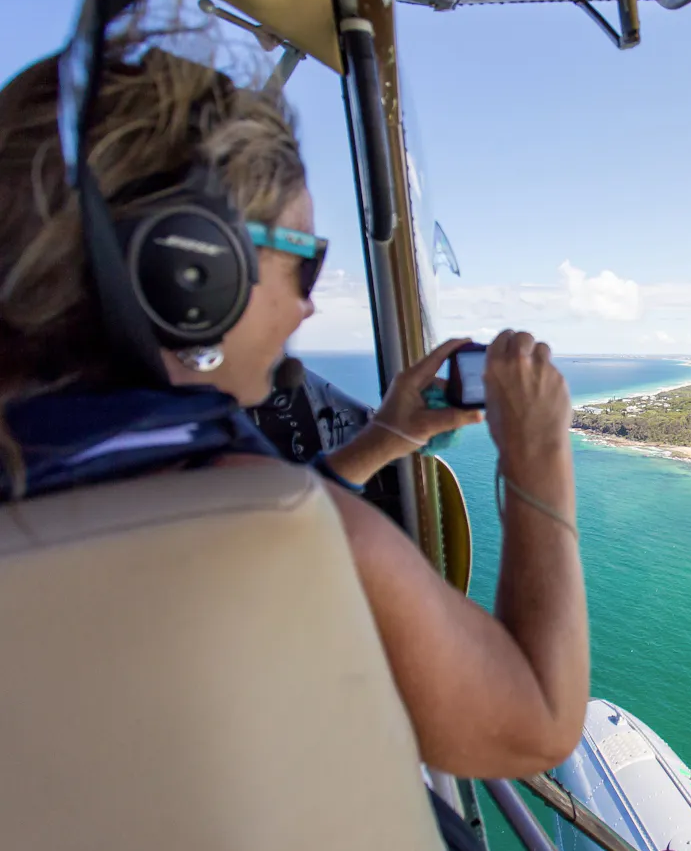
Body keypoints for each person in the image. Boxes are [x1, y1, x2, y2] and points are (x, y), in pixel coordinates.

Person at [0, 38, 588, 779]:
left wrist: (384, 437)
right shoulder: (282, 534)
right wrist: (539, 454)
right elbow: (534, 727)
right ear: (190, 269)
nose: (310, 304)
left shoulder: (36, 471)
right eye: (302, 261)